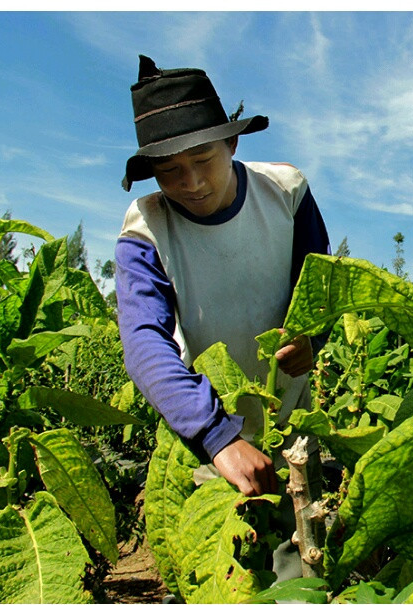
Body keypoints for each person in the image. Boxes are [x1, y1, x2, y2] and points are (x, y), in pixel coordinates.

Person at [114, 55, 329, 500]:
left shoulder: (286, 192)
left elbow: (321, 290)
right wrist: (217, 438)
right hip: (210, 432)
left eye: (202, 158)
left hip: (291, 421)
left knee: (302, 558)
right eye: (169, 170)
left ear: (231, 145)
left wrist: (313, 340)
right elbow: (143, 341)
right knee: (228, 560)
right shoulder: (146, 227)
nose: (191, 181)